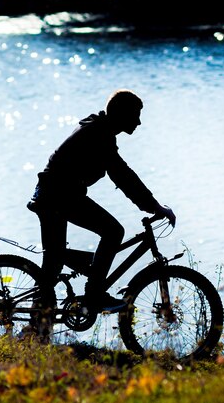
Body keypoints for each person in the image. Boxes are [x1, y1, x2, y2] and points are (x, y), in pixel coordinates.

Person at [27, 89, 176, 315]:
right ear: (120, 114)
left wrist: (150, 203)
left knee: (53, 263)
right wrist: (154, 206)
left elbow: (120, 173)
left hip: (55, 195)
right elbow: (122, 174)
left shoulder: (99, 129)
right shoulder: (99, 134)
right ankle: (94, 294)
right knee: (113, 231)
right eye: (135, 115)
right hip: (57, 196)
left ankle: (38, 325)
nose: (139, 121)